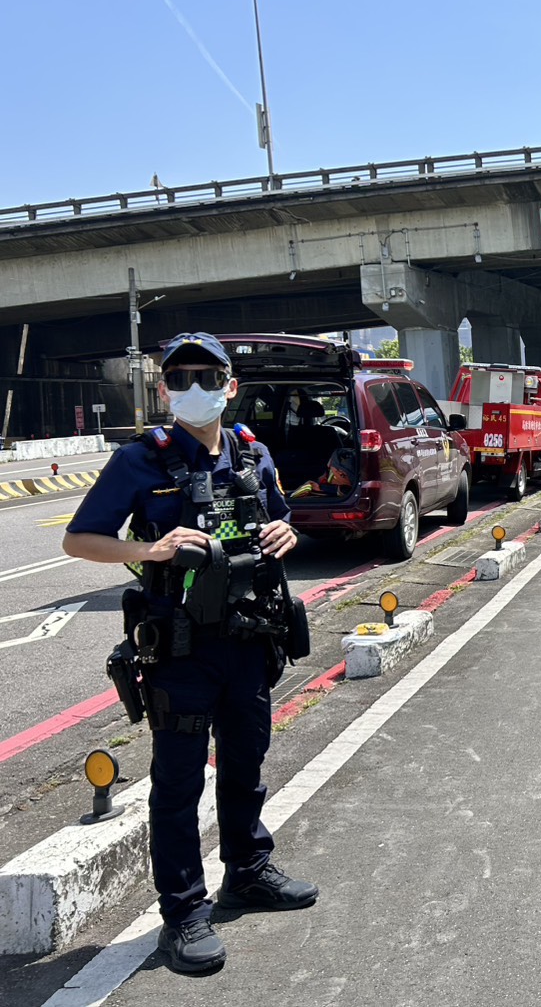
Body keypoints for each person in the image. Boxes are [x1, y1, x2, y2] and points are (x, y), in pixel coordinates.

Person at [64, 332, 317, 975]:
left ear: (231, 387)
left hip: (250, 639)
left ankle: (248, 872)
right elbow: (79, 539)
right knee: (178, 781)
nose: (194, 388)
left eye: (207, 377)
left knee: (246, 762)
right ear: (165, 389)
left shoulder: (253, 452)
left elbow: (280, 519)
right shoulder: (140, 459)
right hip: (180, 648)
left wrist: (286, 531)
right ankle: (182, 914)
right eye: (180, 379)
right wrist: (147, 551)